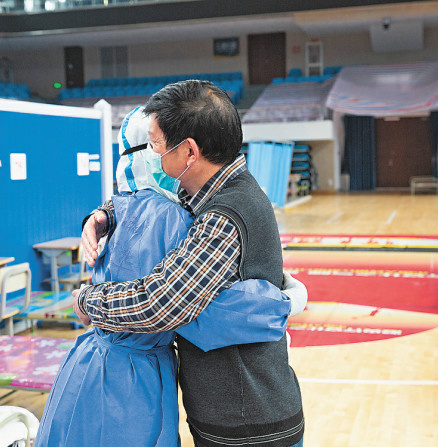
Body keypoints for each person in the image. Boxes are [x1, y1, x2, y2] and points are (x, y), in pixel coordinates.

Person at [36, 106, 307, 446]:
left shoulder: (132, 210)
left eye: (159, 145)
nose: (157, 156)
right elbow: (208, 311)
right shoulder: (171, 218)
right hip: (133, 383)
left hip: (89, 367)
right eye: (152, 145)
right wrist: (290, 299)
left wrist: (102, 217)